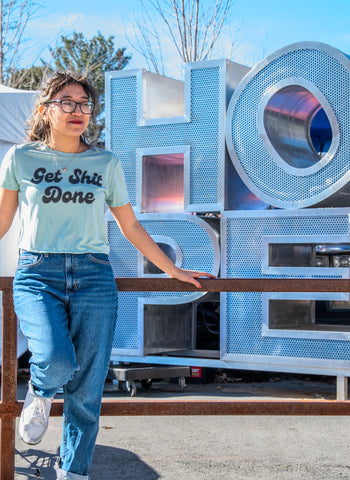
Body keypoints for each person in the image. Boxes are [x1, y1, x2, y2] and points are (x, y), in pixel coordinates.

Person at [0, 71, 214, 479]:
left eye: (84, 103)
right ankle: (42, 390)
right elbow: (3, 219)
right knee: (55, 359)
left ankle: (73, 472)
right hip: (36, 273)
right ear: (46, 109)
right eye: (67, 102)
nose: (77, 111)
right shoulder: (21, 158)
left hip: (95, 278)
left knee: (88, 390)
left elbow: (130, 226)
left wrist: (172, 268)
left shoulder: (105, 162)